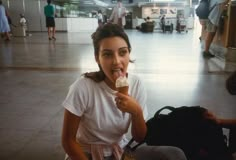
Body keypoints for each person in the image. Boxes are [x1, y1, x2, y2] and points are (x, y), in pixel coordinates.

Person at [61, 23, 187, 160]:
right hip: (85, 152)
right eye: (107, 54)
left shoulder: (136, 83)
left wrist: (136, 112)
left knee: (174, 155)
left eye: (122, 52)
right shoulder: (83, 87)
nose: (116, 61)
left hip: (119, 150)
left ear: (129, 53)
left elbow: (139, 137)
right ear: (97, 58)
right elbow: (68, 141)